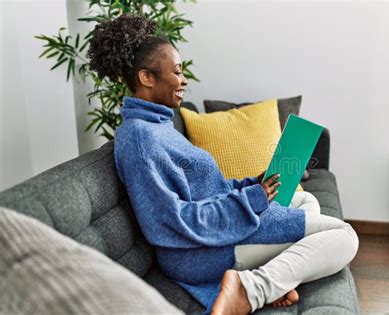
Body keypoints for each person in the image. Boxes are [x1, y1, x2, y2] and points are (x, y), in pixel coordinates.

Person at [87, 13, 359, 315]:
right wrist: (251, 200)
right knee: (345, 238)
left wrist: (250, 186)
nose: (183, 80)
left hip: (218, 234)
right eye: (176, 72)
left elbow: (206, 189)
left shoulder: (158, 126)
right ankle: (250, 290)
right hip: (201, 252)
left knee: (305, 199)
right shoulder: (140, 138)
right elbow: (170, 224)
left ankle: (274, 276)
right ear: (146, 78)